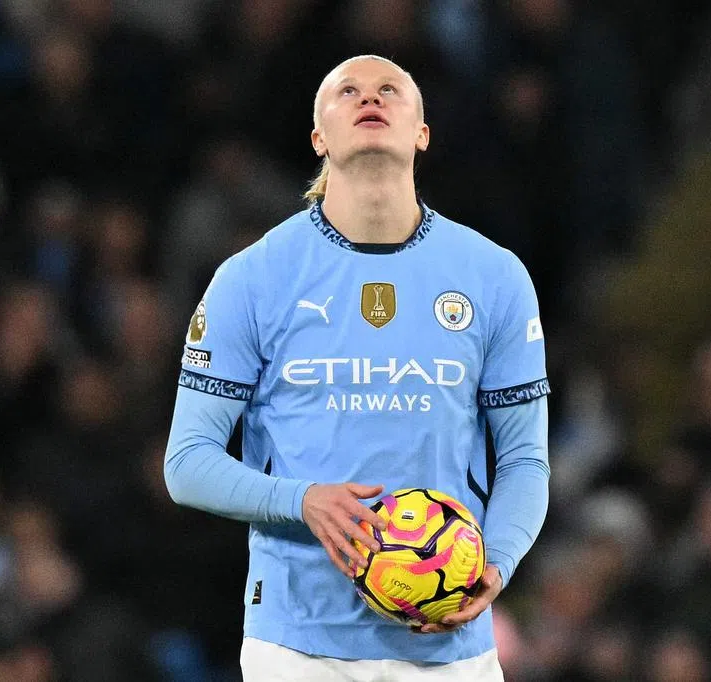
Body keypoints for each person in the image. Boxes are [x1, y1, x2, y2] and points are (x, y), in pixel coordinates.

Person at [164, 54, 551, 681]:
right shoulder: (252, 279)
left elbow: (525, 460)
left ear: (421, 133)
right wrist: (303, 501)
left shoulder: (494, 276)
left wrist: (498, 560)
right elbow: (186, 463)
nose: (370, 97)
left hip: (449, 645)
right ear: (319, 137)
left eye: (390, 89)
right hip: (297, 646)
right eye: (348, 91)